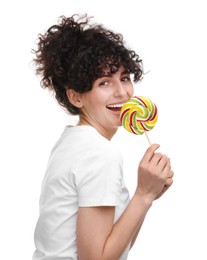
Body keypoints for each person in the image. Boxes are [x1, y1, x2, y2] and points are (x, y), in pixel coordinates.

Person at [32, 14, 174, 260]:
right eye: (104, 83)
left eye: (125, 78)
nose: (122, 92)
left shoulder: (72, 141)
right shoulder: (99, 153)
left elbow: (116, 246)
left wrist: (147, 197)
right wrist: (143, 194)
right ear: (76, 97)